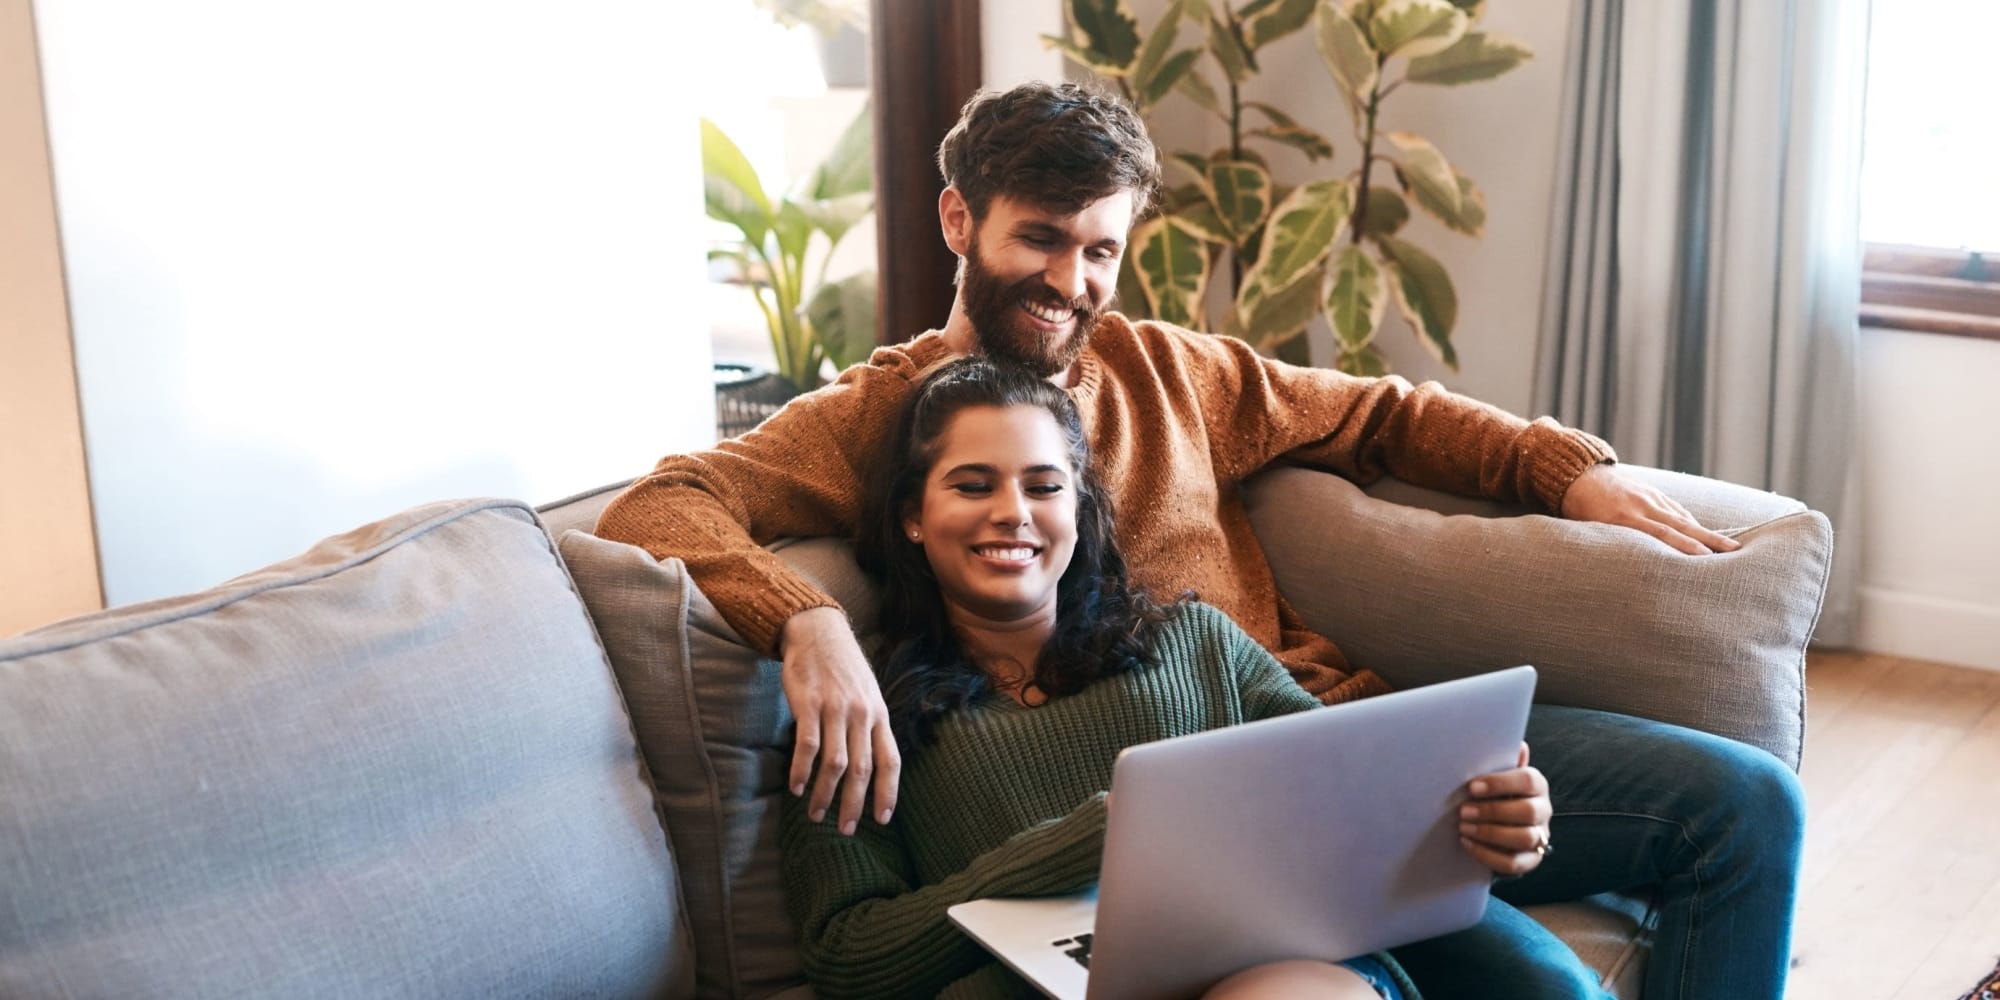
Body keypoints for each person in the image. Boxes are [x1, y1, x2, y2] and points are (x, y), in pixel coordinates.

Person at [597, 81, 1805, 997]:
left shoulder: (1171, 368)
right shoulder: (880, 417)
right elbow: (660, 505)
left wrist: (1561, 474)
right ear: (959, 218)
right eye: (1041, 237)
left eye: (1100, 248)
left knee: (1741, 803)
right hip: (1176, 854)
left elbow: (1380, 415)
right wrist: (804, 618)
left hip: (1337, 756)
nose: (1070, 279)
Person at [782, 356, 1546, 999]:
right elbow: (850, 958)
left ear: (1079, 510)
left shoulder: (1194, 640)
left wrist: (1482, 829)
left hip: (1269, 971)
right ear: (913, 514)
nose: (1014, 513)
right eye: (974, 485)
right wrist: (1096, 839)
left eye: (1045, 487)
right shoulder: (863, 711)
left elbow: (1353, 809)